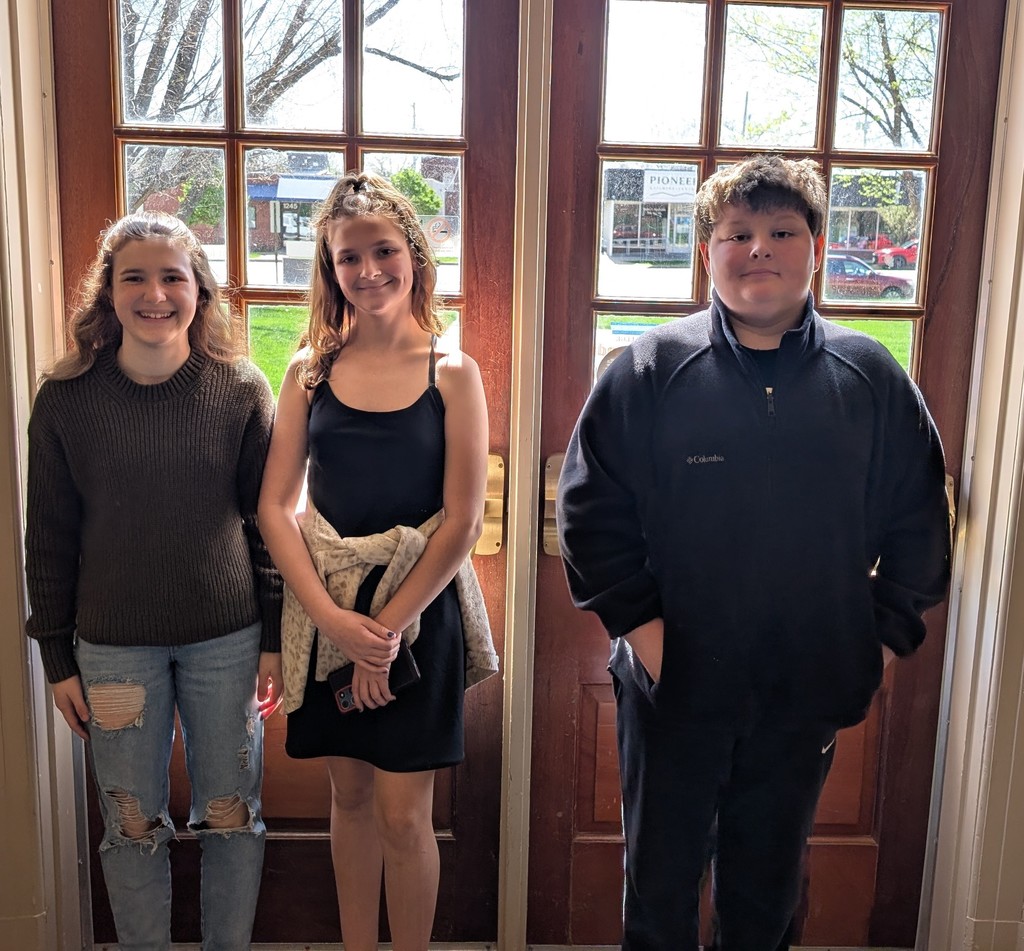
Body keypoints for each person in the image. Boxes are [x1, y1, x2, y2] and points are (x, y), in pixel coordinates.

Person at [556, 155, 951, 951]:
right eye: (737, 233)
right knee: (659, 900)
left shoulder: (869, 377)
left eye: (781, 232)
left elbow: (919, 525)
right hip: (671, 693)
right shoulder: (649, 370)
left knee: (765, 904)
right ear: (709, 252)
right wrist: (656, 648)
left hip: (803, 700)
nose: (759, 248)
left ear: (816, 249)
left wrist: (871, 644)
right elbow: (591, 519)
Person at [24, 211, 283, 950]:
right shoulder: (66, 399)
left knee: (232, 817)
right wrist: (57, 657)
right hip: (112, 652)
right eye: (134, 277)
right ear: (108, 292)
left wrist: (272, 639)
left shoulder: (242, 389)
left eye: (173, 277)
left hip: (228, 645)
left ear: (199, 290)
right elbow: (48, 538)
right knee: (132, 825)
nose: (155, 294)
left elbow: (267, 527)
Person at [258, 170, 496, 951]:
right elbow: (275, 508)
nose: (368, 271)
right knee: (351, 798)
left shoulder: (452, 373)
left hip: (417, 617)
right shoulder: (310, 372)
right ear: (330, 270)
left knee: (403, 812)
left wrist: (384, 633)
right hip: (330, 612)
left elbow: (463, 520)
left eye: (383, 251)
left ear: (414, 255)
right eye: (348, 258)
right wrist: (334, 622)